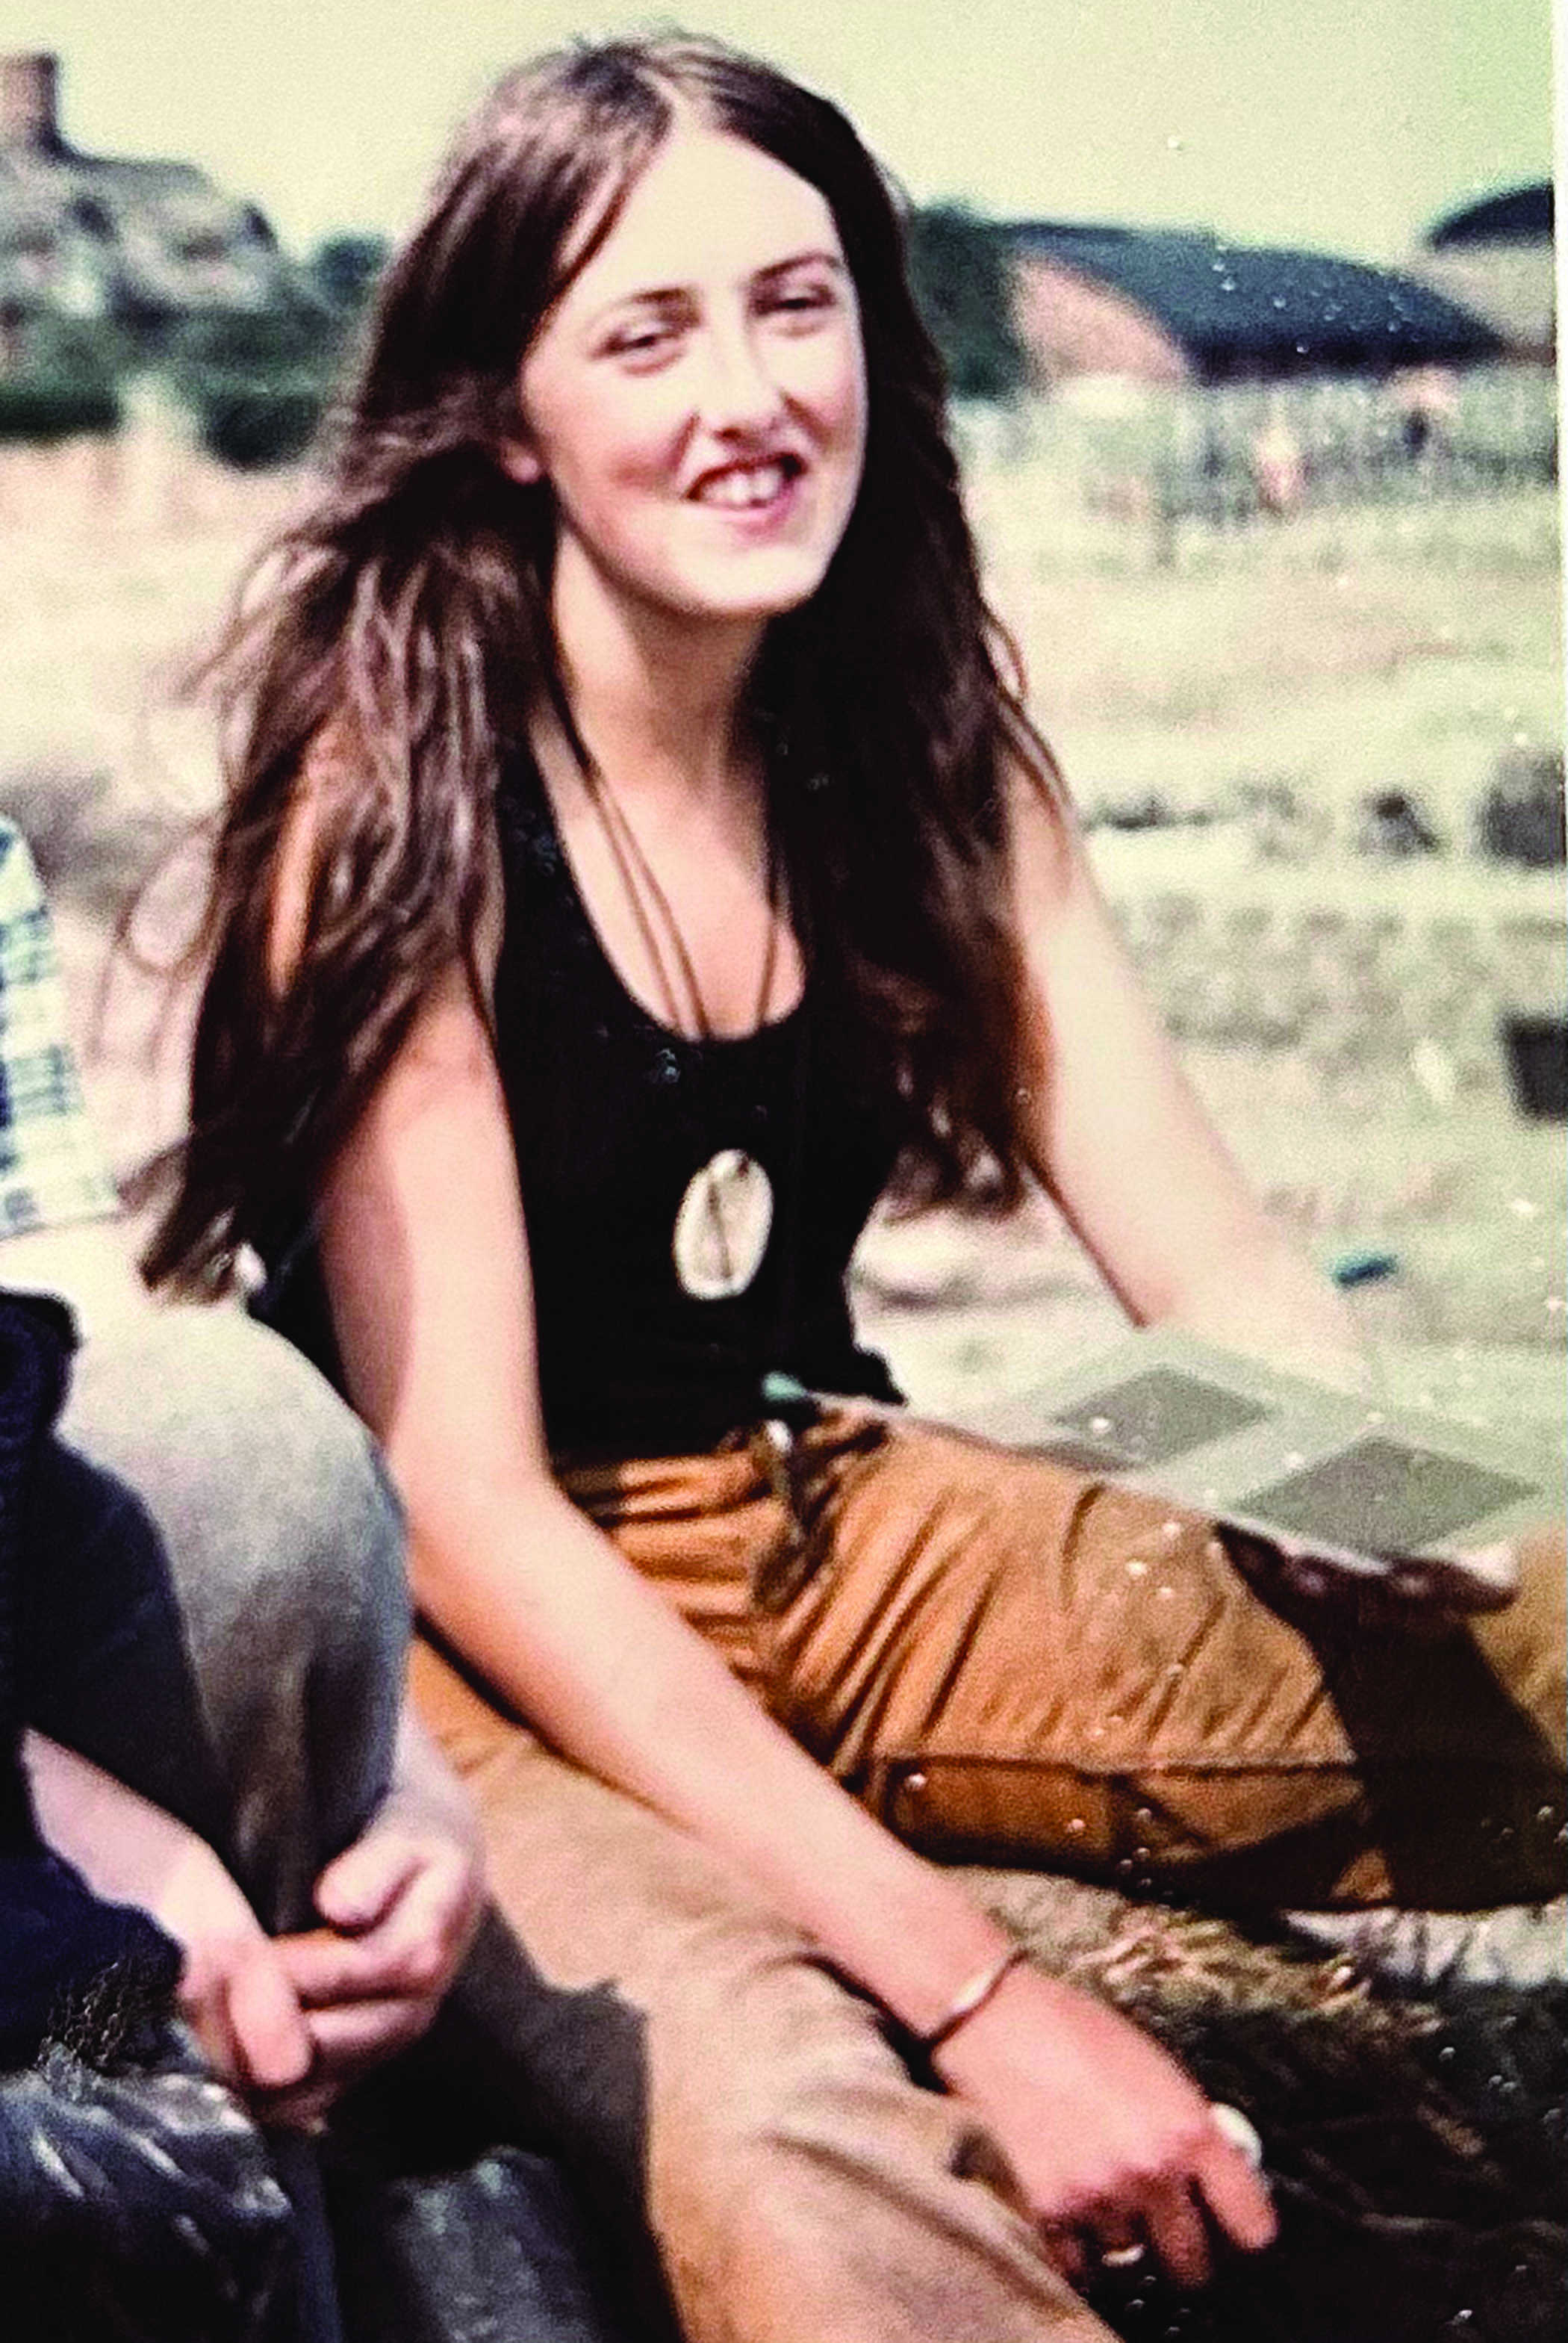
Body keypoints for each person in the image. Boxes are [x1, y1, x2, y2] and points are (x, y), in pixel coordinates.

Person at [143, 35, 1565, 2343]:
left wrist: (1330, 1458)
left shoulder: (915, 743)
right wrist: (985, 1994)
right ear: (506, 413)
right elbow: (476, 1503)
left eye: (794, 306)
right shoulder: (386, 795)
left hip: (830, 1509)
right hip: (485, 1639)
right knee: (795, 2131)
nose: (749, 395)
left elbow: (1198, 1250)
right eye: (646, 332)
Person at [0, 816, 486, 2334]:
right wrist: (95, 1824)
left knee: (246, 1443)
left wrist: (408, 1771)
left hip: (44, 1934)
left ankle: (252, 2158)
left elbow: (96, 1401)